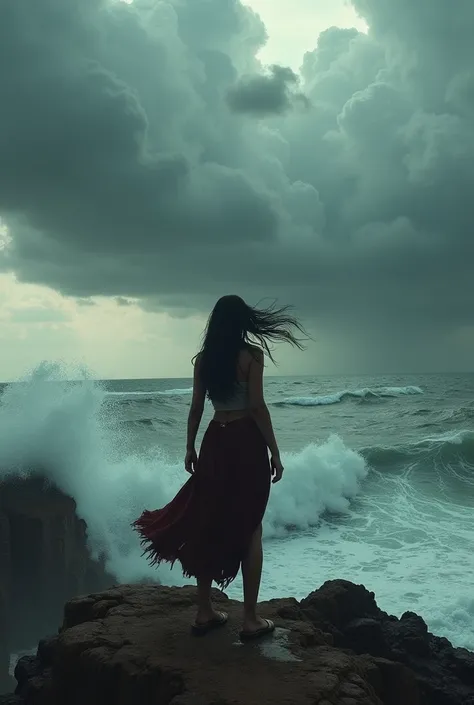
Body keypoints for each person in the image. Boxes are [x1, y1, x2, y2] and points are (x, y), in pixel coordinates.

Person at [133, 295, 306, 641]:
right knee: (251, 527)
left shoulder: (204, 360)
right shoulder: (252, 356)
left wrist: (189, 446)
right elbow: (257, 407)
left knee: (208, 521)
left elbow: (197, 407)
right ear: (242, 323)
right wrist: (275, 451)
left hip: (215, 440)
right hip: (245, 442)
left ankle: (203, 612)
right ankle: (250, 620)